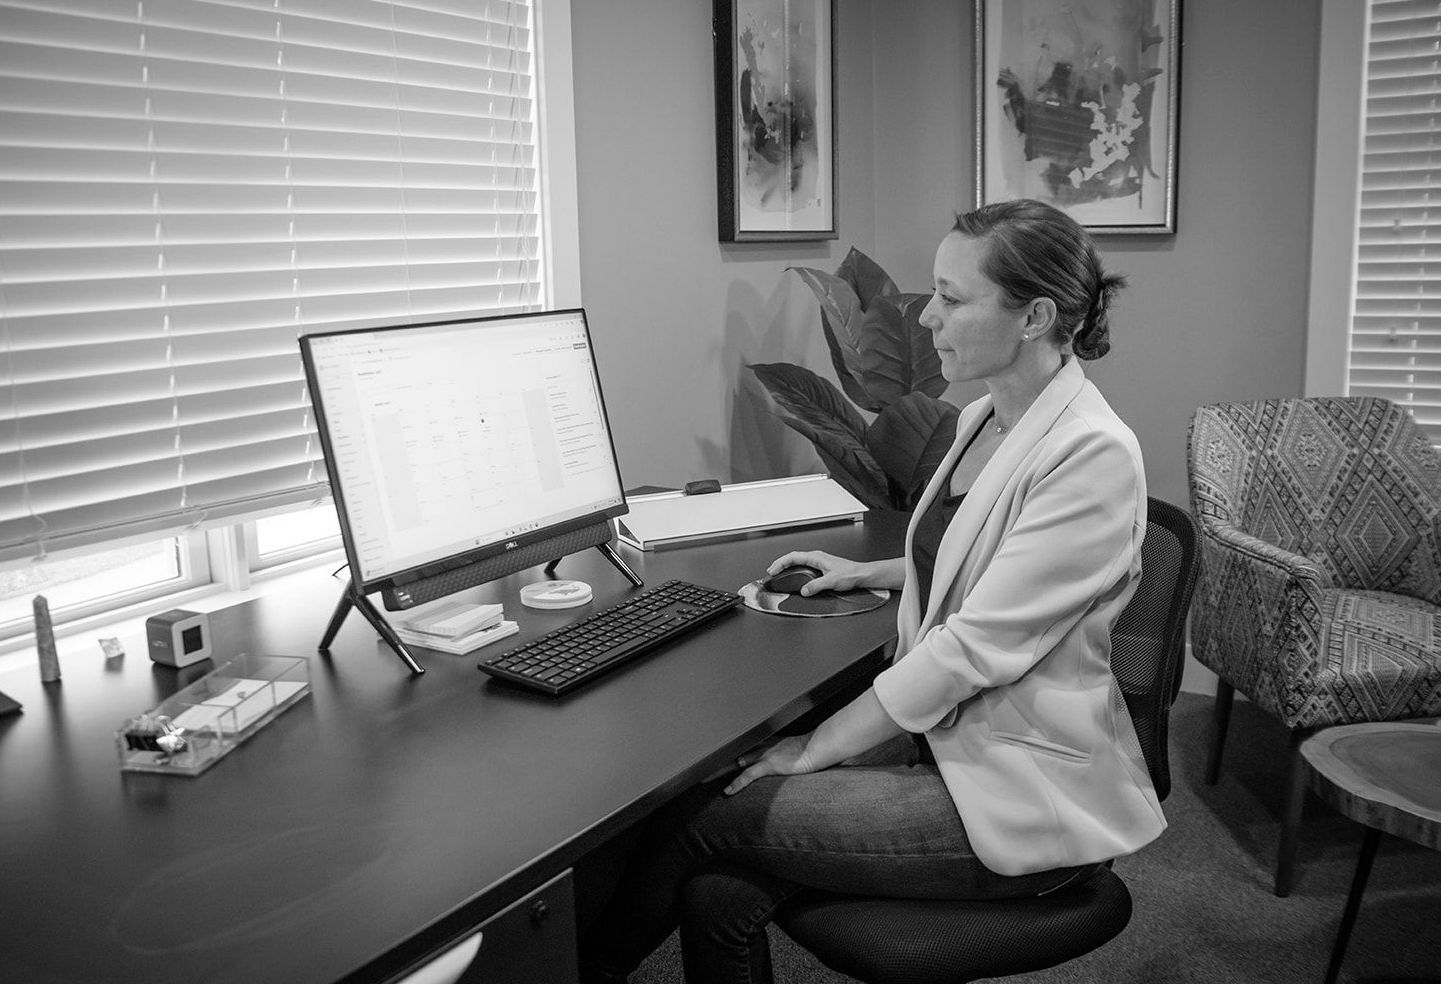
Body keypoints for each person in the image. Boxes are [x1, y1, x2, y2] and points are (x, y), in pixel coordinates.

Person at [579, 198, 1162, 984]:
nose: (927, 319)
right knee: (720, 890)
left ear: (1034, 316)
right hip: (947, 740)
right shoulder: (987, 417)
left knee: (706, 813)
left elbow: (975, 644)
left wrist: (813, 748)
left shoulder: (1092, 453)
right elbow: (987, 563)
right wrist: (877, 572)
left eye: (953, 299)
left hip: (1022, 790)